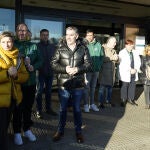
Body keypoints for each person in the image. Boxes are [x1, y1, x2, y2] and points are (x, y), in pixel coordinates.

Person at [51, 26, 92, 143]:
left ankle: (78, 132)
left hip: (78, 85)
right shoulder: (59, 48)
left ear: (76, 36)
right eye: (67, 34)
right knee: (62, 109)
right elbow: (53, 64)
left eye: (71, 35)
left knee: (77, 109)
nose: (68, 37)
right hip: (64, 85)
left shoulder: (83, 48)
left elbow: (89, 65)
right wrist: (65, 69)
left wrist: (77, 69)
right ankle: (60, 130)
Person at [12, 23, 42, 145]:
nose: (22, 33)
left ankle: (27, 129)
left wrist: (33, 66)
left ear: (28, 32)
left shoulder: (33, 46)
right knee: (17, 108)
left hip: (30, 83)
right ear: (16, 32)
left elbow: (41, 60)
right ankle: (17, 132)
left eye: (24, 30)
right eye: (19, 30)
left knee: (28, 108)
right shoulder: (12, 45)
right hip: (17, 83)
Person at [0, 31, 29, 150]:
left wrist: (16, 76)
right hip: (1, 100)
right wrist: (6, 73)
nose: (7, 44)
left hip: (13, 98)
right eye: (3, 42)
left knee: (5, 126)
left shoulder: (18, 57)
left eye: (9, 41)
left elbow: (25, 76)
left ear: (13, 42)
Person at [35, 29, 57, 119]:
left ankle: (48, 108)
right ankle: (38, 110)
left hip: (50, 73)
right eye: (43, 35)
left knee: (48, 92)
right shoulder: (36, 46)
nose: (45, 36)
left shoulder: (52, 46)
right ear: (40, 36)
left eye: (47, 35)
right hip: (40, 73)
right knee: (39, 92)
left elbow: (55, 58)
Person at [83, 29, 104, 112]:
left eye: (91, 35)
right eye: (88, 35)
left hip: (96, 70)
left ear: (93, 36)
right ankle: (85, 104)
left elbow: (102, 56)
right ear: (85, 36)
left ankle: (91, 104)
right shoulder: (83, 45)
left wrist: (98, 66)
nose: (89, 37)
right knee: (86, 87)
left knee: (93, 87)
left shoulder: (98, 45)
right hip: (87, 70)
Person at [119, 39, 141, 107]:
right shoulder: (122, 52)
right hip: (126, 72)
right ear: (126, 45)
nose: (132, 46)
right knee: (124, 86)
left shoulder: (135, 52)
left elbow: (138, 61)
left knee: (132, 86)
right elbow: (122, 64)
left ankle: (130, 99)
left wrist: (136, 69)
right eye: (130, 45)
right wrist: (130, 69)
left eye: (132, 44)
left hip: (134, 71)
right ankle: (123, 100)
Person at [98, 36, 119, 108]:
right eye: (114, 42)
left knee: (110, 88)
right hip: (104, 72)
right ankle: (100, 102)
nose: (115, 44)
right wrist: (113, 58)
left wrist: (117, 59)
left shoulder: (114, 50)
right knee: (102, 88)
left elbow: (116, 61)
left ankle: (108, 101)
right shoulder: (102, 48)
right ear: (109, 42)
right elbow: (101, 59)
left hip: (111, 72)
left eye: (115, 42)